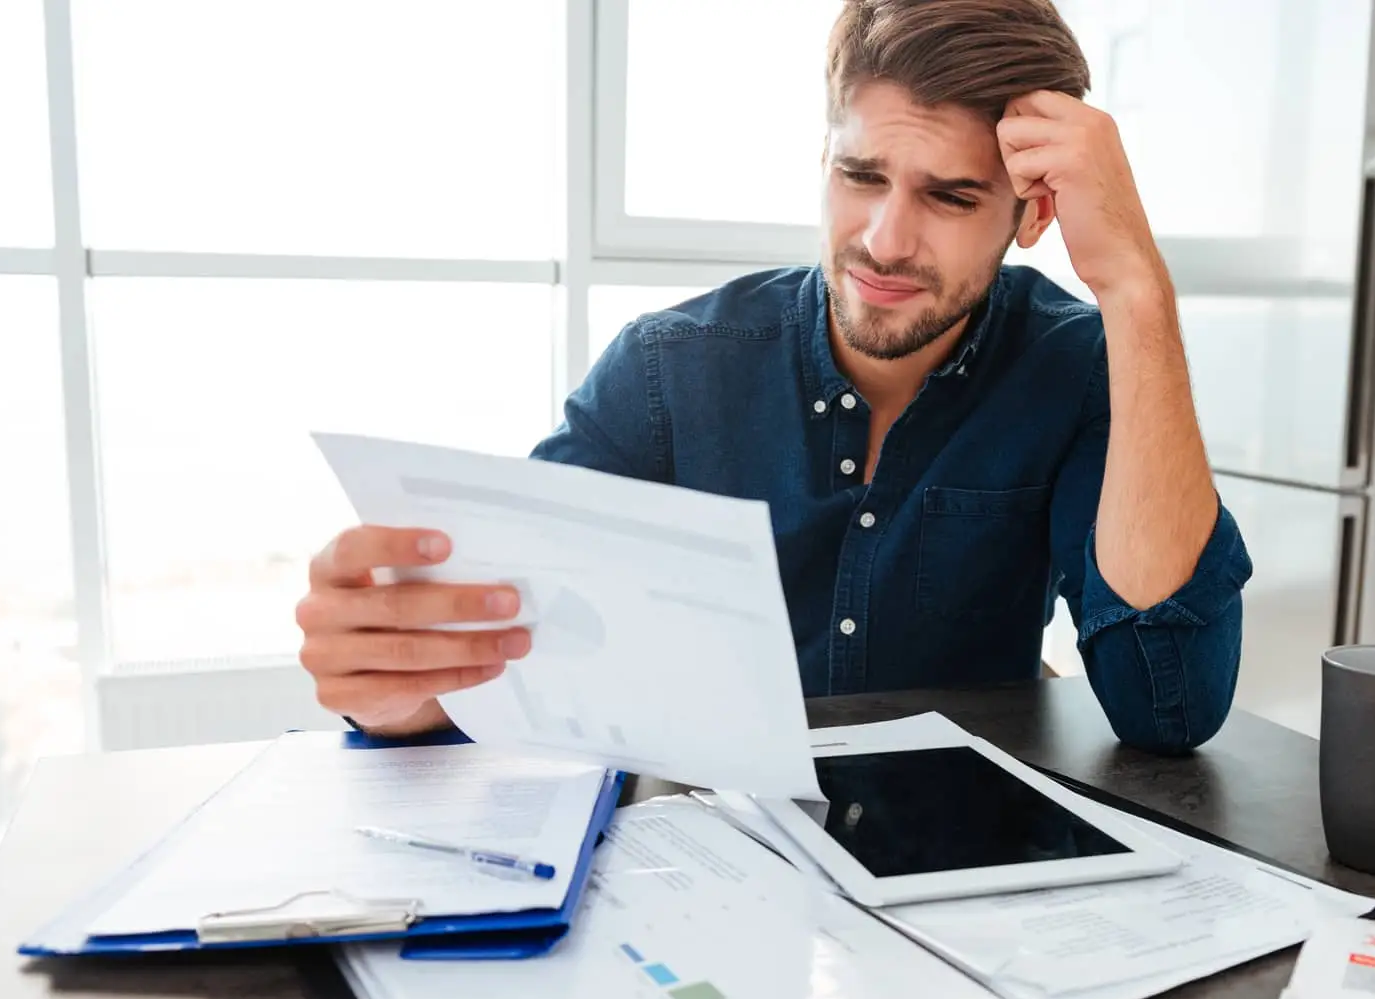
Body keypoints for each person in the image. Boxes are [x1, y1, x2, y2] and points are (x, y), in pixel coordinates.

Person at [295, 0, 1252, 753]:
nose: (883, 241)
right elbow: (508, 649)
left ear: (1032, 213)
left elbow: (1169, 707)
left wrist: (1135, 290)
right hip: (695, 871)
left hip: (956, 886)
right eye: (862, 176)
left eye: (951, 197)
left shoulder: (1076, 367)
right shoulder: (668, 371)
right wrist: (399, 690)